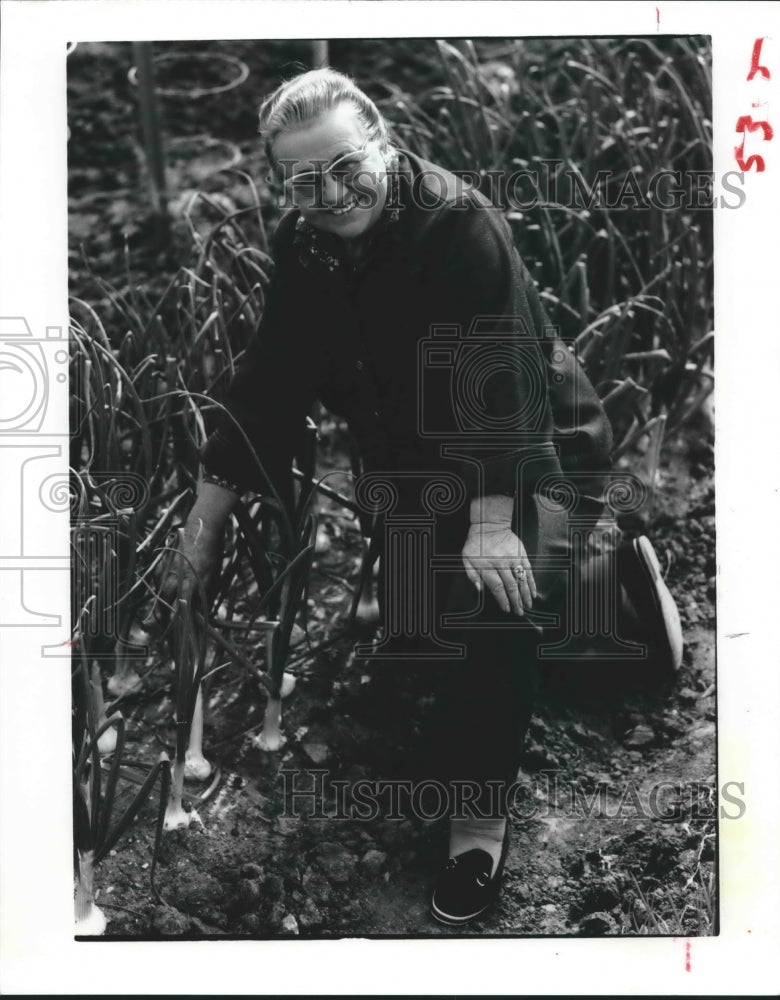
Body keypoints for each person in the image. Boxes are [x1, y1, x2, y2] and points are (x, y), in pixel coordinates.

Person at [169, 68, 682, 927]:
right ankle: (579, 594)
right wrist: (203, 521)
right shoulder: (306, 246)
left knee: (489, 611)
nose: (329, 193)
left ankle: (478, 819)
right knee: (425, 648)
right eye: (302, 179)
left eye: (344, 164)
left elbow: (500, 383)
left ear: (382, 142)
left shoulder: (456, 226)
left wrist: (490, 526)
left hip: (528, 455)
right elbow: (272, 378)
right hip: (411, 476)